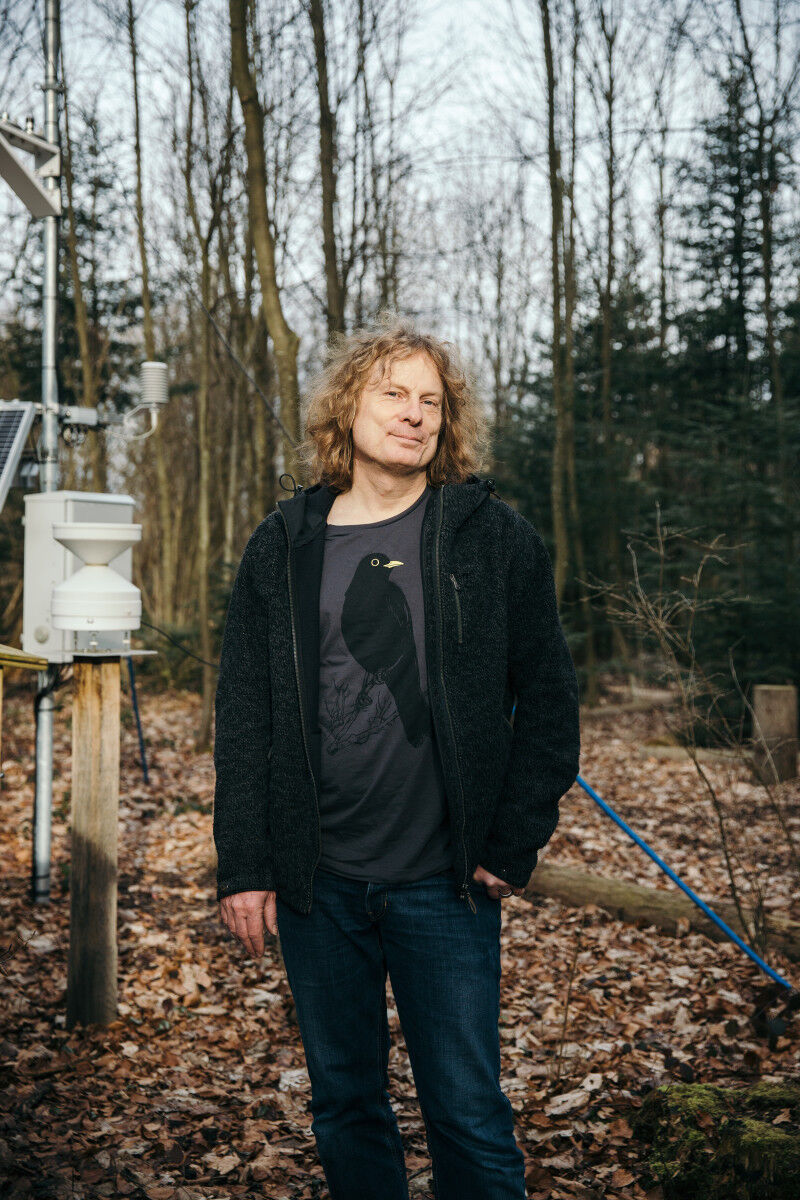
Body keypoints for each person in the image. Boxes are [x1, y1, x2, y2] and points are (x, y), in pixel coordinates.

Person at [213, 316, 581, 1200]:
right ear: (349, 408)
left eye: (431, 400)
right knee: (345, 1107)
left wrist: (511, 842)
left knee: (465, 1109)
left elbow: (553, 701)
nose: (414, 414)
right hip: (318, 883)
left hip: (444, 882)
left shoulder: (493, 540)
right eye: (393, 393)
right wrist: (246, 864)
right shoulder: (284, 544)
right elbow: (247, 717)